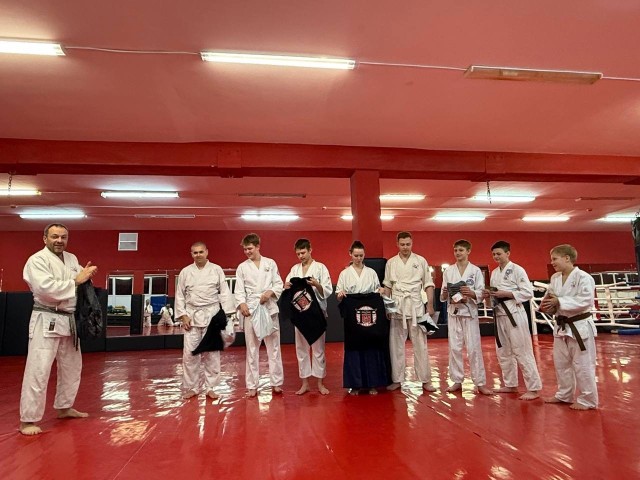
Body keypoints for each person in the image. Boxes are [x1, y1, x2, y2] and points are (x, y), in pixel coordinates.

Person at [19, 223, 98, 436]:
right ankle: (28, 420)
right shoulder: (37, 260)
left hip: (69, 320)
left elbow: (81, 282)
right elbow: (45, 289)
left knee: (72, 367)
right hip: (46, 317)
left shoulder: (71, 259)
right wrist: (75, 281)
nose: (59, 240)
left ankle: (65, 407)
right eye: (54, 236)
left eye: (63, 237)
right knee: (38, 369)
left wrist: (87, 275)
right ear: (45, 238)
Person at [175, 242, 235, 400]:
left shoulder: (216, 269)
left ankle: (211, 387)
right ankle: (192, 387)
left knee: (212, 353)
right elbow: (180, 295)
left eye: (201, 252)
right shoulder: (185, 272)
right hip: (191, 315)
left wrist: (227, 316)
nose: (198, 255)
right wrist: (182, 315)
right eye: (195, 252)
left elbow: (224, 292)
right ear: (191, 254)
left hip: (212, 314)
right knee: (190, 354)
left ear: (207, 252)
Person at [541, 244, 598, 410]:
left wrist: (559, 301)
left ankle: (588, 400)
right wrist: (547, 306)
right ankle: (564, 394)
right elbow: (550, 298)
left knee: (583, 364)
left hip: (579, 326)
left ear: (567, 258)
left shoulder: (584, 277)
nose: (552, 262)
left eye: (555, 259)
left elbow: (585, 301)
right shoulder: (555, 278)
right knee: (562, 363)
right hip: (561, 326)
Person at [483, 241, 542, 400]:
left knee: (522, 350)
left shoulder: (517, 270)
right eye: (494, 254)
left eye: (499, 253)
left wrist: (506, 293)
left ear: (508, 253)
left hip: (514, 313)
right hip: (500, 313)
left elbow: (528, 292)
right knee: (503, 351)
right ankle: (511, 384)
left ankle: (534, 388)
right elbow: (495, 294)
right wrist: (489, 295)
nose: (496, 257)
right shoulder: (495, 272)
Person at [382, 231, 437, 392]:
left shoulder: (420, 261)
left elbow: (428, 284)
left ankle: (425, 380)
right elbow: (387, 286)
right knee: (395, 345)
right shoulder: (391, 262)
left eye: (408, 244)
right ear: (397, 244)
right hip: (397, 305)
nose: (405, 247)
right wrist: (387, 306)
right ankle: (397, 379)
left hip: (416, 305)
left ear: (412, 243)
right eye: (402, 244)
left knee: (420, 344)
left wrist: (430, 305)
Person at [336, 241, 391, 395]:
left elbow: (378, 290)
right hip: (353, 316)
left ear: (364, 255)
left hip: (370, 313)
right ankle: (355, 384)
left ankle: (373, 383)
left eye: (361, 255)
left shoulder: (371, 272)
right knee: (354, 347)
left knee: (371, 346)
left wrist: (381, 291)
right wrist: (340, 295)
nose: (359, 258)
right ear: (350, 254)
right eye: (356, 255)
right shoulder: (345, 274)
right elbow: (339, 294)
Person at [234, 233, 285, 398]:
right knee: (252, 348)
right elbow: (239, 289)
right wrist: (242, 303)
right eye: (245, 249)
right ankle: (252, 385)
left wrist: (270, 292)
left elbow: (278, 283)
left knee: (274, 347)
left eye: (249, 248)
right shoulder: (242, 267)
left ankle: (276, 383)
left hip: (269, 308)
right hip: (251, 308)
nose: (247, 252)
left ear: (257, 246)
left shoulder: (270, 263)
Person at [440, 239, 493, 395]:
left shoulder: (475, 271)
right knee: (455, 348)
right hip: (454, 312)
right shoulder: (448, 271)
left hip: (469, 313)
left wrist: (471, 293)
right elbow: (443, 295)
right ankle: (457, 380)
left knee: (474, 348)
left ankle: (480, 382)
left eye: (461, 250)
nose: (458, 253)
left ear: (468, 251)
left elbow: (481, 293)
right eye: (456, 250)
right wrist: (444, 293)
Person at [284, 238, 333, 395]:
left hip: (316, 314)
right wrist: (286, 286)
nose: (301, 256)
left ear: (310, 250)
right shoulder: (294, 269)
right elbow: (287, 287)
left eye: (303, 252)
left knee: (318, 349)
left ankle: (320, 383)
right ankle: (305, 383)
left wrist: (316, 285)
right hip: (300, 314)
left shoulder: (320, 268)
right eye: (298, 254)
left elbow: (327, 290)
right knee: (301, 349)